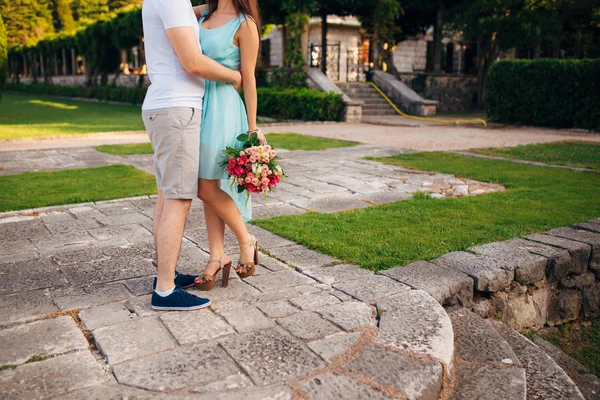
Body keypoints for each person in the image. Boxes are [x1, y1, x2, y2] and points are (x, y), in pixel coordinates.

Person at [141, 0, 242, 310]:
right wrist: (234, 76)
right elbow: (193, 62)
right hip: (177, 109)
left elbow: (195, 13)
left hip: (165, 107)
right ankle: (166, 292)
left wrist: (217, 7)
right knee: (178, 199)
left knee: (165, 195)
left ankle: (164, 276)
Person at [191, 0, 262, 291]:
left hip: (224, 110)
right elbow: (172, 9)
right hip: (198, 103)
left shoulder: (245, 23)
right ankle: (217, 256)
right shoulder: (204, 12)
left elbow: (249, 79)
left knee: (206, 187)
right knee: (209, 188)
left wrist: (253, 129)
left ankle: (246, 241)